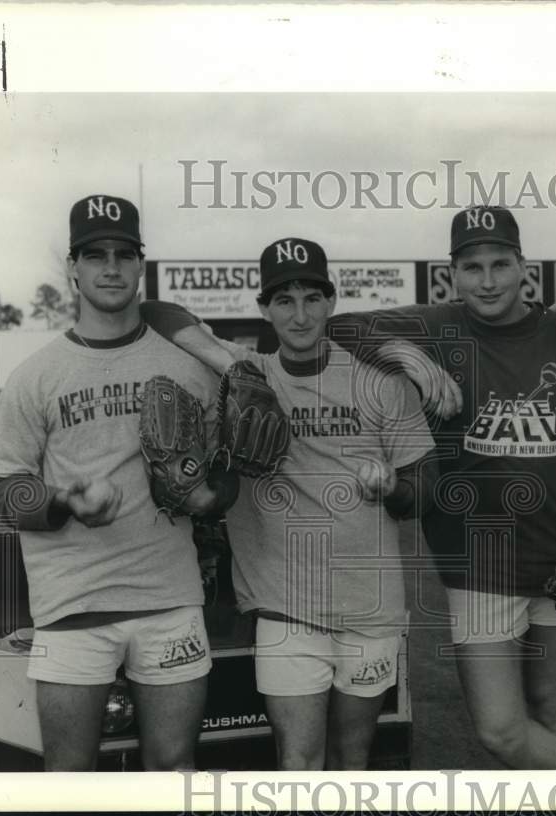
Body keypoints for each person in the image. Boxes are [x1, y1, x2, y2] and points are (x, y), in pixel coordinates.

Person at [146, 207, 556, 769]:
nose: (487, 280)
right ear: (452, 273)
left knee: (550, 710)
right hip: (478, 561)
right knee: (501, 730)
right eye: (472, 267)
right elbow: (325, 327)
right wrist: (404, 351)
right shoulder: (433, 327)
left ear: (522, 266)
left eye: (500, 264)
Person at [143, 237, 438, 770]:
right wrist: (229, 364)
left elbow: (426, 491)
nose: (299, 315)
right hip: (286, 608)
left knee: (353, 761)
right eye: (284, 300)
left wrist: (393, 486)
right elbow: (154, 310)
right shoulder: (246, 376)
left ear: (330, 302)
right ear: (264, 308)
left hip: (371, 605)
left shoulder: (380, 382)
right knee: (298, 763)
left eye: (311, 298)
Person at [0, 194, 230, 771]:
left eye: (123, 254)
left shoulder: (188, 366)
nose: (110, 267)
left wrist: (214, 494)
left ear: (142, 264)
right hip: (72, 606)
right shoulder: (36, 374)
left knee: (173, 768)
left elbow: (223, 468)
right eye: (95, 256)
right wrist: (64, 501)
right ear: (74, 268)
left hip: (169, 598)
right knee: (70, 778)